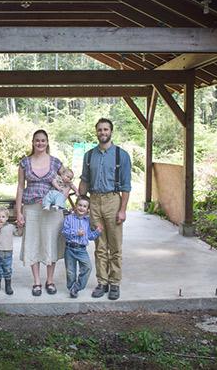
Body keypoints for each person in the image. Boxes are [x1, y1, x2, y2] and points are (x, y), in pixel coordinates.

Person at [79, 118, 132, 300]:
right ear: (96, 132)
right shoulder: (89, 155)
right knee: (99, 246)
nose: (103, 132)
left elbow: (126, 186)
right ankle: (102, 282)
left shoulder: (121, 155)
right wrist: (75, 192)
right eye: (100, 130)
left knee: (115, 246)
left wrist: (122, 209)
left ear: (111, 131)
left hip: (112, 201)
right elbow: (84, 180)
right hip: (94, 202)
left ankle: (115, 283)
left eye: (106, 129)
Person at [15, 129, 66, 296]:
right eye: (37, 140)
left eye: (43, 140)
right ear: (33, 142)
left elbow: (67, 181)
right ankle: (36, 282)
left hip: (51, 210)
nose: (40, 143)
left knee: (51, 242)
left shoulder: (56, 162)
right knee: (33, 242)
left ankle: (50, 280)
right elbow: (20, 187)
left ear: (47, 142)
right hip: (31, 209)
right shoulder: (24, 163)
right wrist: (18, 212)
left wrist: (62, 196)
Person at [61, 195, 102, 298]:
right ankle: (72, 289)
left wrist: (97, 232)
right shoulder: (68, 218)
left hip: (82, 250)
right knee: (70, 272)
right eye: (80, 205)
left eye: (84, 206)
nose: (81, 208)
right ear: (75, 205)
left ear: (88, 210)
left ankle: (77, 287)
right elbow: (64, 232)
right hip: (70, 249)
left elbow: (90, 236)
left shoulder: (87, 221)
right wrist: (76, 233)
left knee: (88, 267)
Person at [0, 206, 20, 295]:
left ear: (7, 218)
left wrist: (20, 226)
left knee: (7, 270)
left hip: (8, 253)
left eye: (3, 217)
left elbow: (19, 233)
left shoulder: (11, 227)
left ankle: (8, 286)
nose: (1, 219)